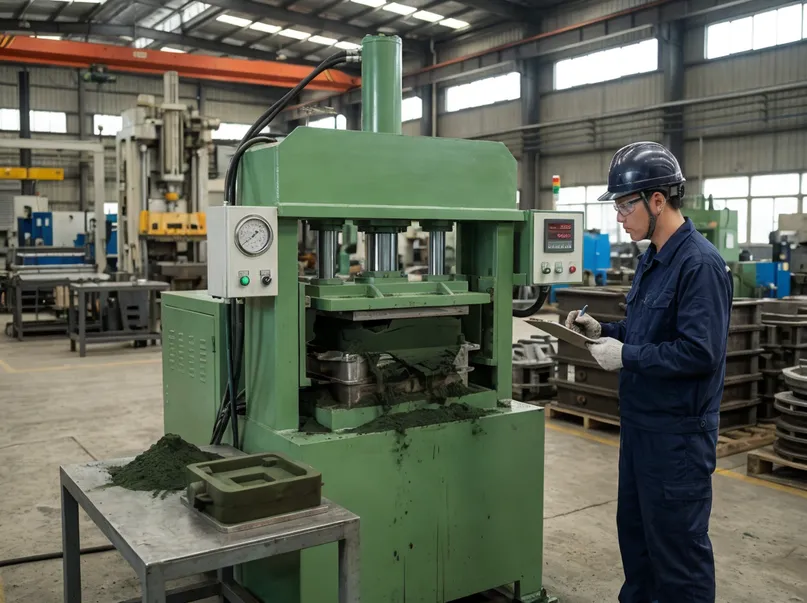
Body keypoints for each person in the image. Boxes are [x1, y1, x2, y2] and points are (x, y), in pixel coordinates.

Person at [565, 141, 733, 603]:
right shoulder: (653, 259)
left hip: (677, 438)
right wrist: (605, 329)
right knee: (637, 548)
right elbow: (647, 331)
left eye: (624, 204)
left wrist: (628, 356)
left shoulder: (699, 264)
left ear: (658, 200)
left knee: (678, 557)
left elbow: (700, 353)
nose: (619, 216)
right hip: (641, 430)